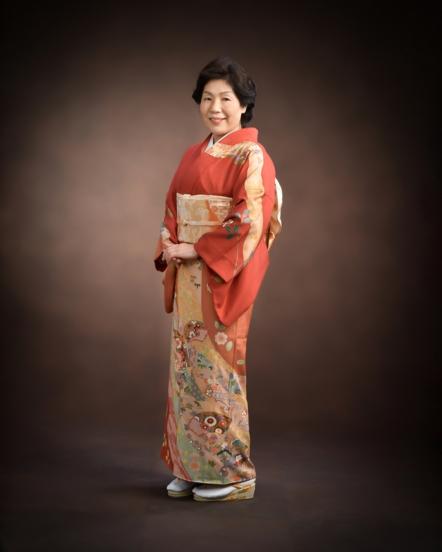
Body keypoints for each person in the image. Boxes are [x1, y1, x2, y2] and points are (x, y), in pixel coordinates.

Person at [153, 56, 283, 502]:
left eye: (226, 99)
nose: (215, 108)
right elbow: (172, 205)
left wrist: (196, 248)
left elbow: (251, 218)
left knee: (217, 372)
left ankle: (233, 474)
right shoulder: (193, 153)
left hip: (220, 277)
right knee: (186, 370)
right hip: (187, 276)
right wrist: (170, 241)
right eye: (207, 98)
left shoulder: (252, 155)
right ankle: (191, 466)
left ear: (243, 105)